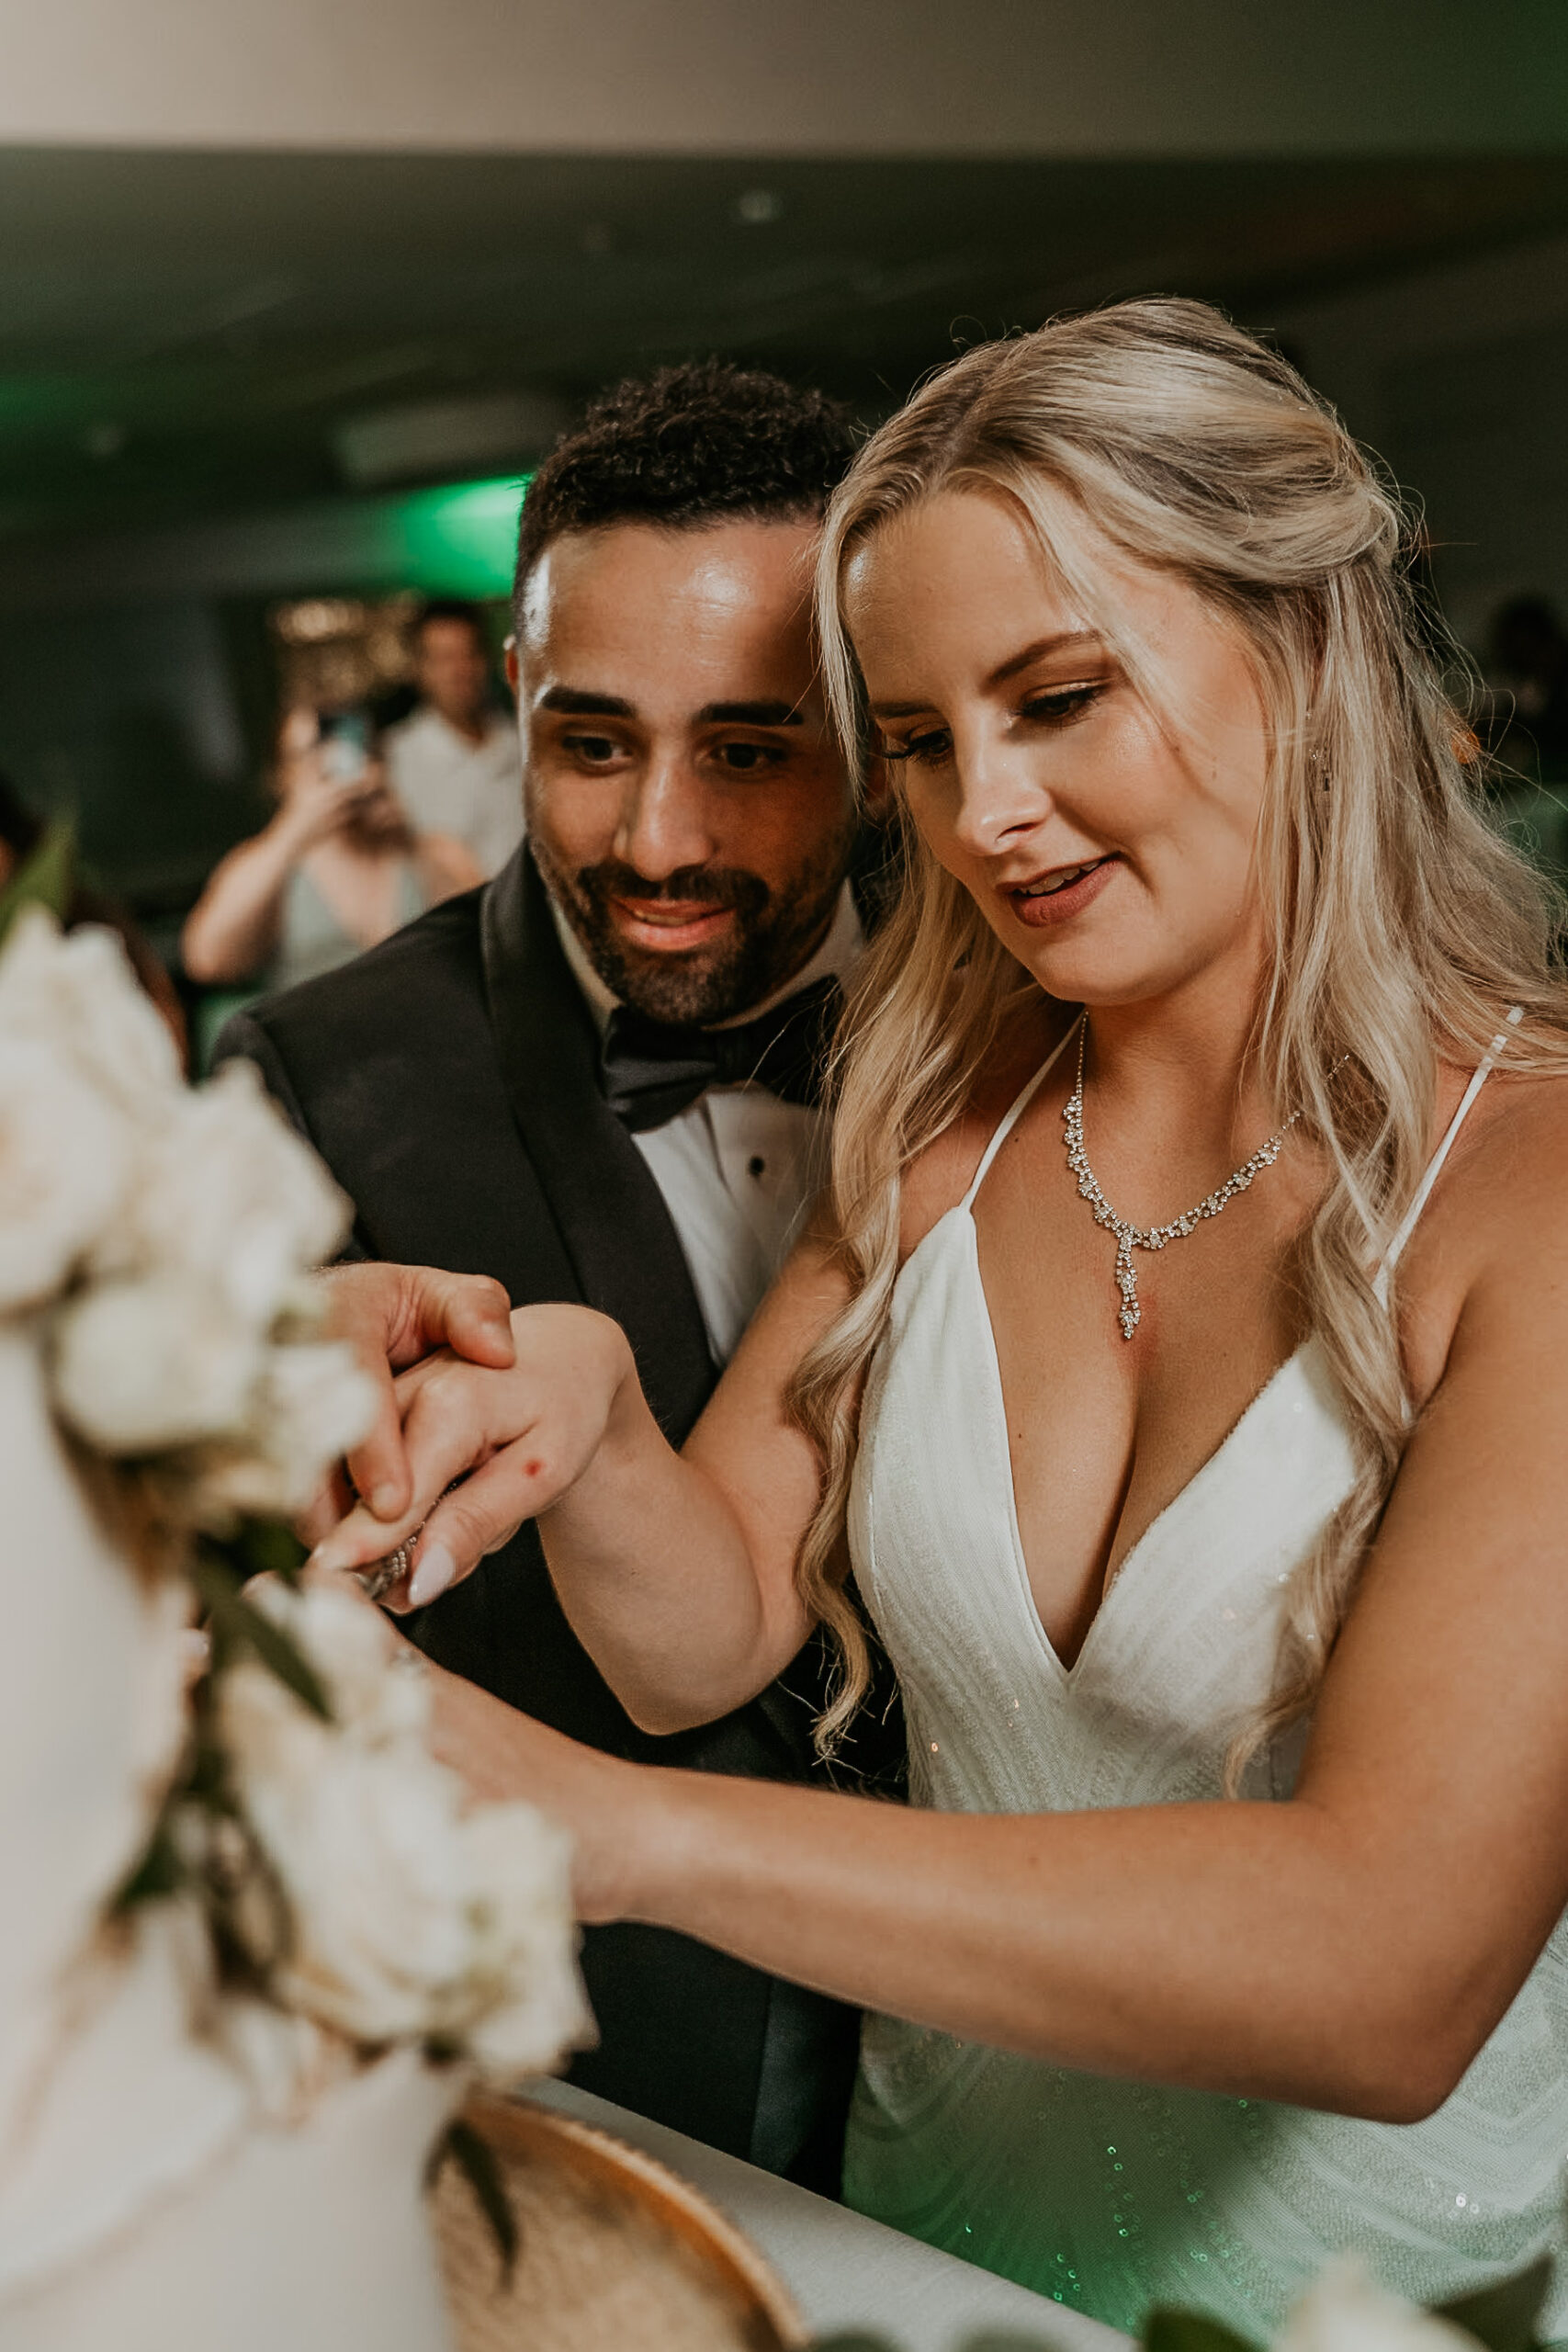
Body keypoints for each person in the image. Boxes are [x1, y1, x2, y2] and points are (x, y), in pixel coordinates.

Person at [313, 301, 1568, 2339]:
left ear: (1305, 647)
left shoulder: (1537, 1193)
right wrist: (594, 1404)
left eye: (1055, 697)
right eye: (915, 738)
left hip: (1396, 2297)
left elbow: (1380, 1964)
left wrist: (620, 1838)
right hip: (915, 2270)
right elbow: (702, 1628)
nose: (980, 813)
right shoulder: (943, 1120)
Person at [217, 362, 899, 2191]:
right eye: (590, 743)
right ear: (515, 695)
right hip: (595, 2078)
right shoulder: (315, 1074)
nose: (660, 839)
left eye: (750, 750)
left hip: (1035, 2031)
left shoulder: (1031, 1016)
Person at [382, 599, 525, 878]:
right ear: (419, 670)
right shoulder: (394, 758)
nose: (460, 671)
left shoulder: (522, 742)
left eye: (469, 655)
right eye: (444, 659)